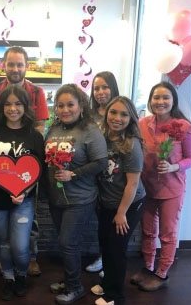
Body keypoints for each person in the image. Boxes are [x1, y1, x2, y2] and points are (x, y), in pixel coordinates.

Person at [0, 46, 49, 276]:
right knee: (1, 227)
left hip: (27, 163)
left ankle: (29, 257)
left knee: (30, 216)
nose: (15, 68)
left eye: (19, 64)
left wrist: (25, 143)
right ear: (4, 66)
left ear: (26, 66)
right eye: (11, 64)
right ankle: (4, 261)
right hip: (1, 166)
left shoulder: (36, 91)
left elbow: (40, 125)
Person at [130, 81, 191, 292]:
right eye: (156, 98)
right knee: (148, 232)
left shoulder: (183, 126)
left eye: (165, 97)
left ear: (173, 101)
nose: (160, 102)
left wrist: (173, 166)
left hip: (172, 189)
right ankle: (148, 267)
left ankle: (162, 273)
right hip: (146, 187)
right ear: (150, 101)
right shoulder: (142, 123)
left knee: (167, 234)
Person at [46, 84, 108, 304]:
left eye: (70, 104)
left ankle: (75, 287)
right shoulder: (54, 128)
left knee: (68, 243)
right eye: (60, 105)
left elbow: (101, 162)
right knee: (65, 243)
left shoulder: (90, 130)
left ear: (81, 105)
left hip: (80, 199)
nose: (65, 109)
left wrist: (74, 174)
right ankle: (68, 279)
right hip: (57, 199)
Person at [90, 96, 145, 305]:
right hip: (107, 203)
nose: (117, 118)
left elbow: (132, 184)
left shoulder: (131, 145)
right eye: (114, 112)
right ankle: (107, 285)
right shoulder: (102, 137)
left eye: (124, 114)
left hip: (128, 205)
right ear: (106, 113)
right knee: (105, 245)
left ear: (131, 118)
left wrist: (121, 213)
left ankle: (115, 296)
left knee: (116, 249)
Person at [86, 71, 120, 274]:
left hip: (114, 175)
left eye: (104, 87)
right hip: (93, 175)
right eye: (96, 88)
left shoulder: (120, 110)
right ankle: (102, 256)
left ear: (113, 88)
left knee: (113, 220)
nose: (100, 92)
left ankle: (110, 262)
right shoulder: (89, 115)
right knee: (101, 221)